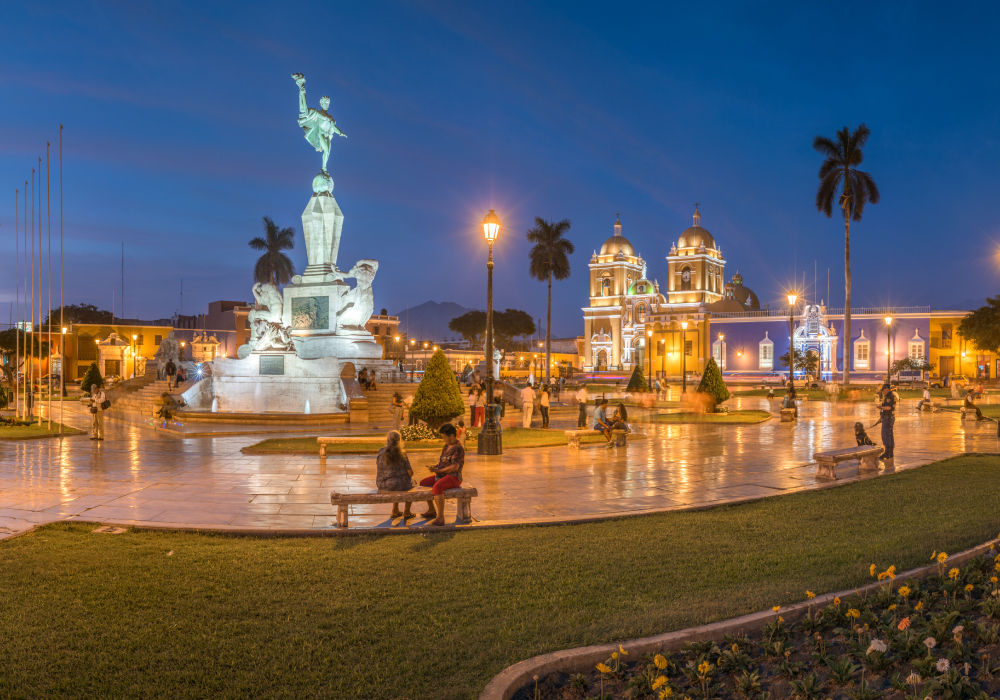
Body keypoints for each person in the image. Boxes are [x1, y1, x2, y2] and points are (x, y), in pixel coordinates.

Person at [418, 423, 465, 526]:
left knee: (437, 487)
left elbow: (454, 467)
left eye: (445, 437)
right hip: (442, 475)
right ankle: (431, 510)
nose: (444, 439)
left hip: (454, 477)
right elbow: (443, 462)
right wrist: (435, 466)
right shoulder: (447, 446)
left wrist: (439, 471)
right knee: (423, 483)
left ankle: (440, 517)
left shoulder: (458, 448)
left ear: (452, 436)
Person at [375, 430, 416, 520]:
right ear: (399, 441)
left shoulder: (381, 451)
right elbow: (410, 473)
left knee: (395, 480)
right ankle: (407, 511)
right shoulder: (402, 454)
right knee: (412, 482)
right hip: (397, 484)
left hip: (381, 484)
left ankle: (395, 510)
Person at [878, 383, 896, 461]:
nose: (883, 392)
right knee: (890, 435)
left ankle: (887, 452)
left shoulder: (889, 396)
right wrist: (881, 417)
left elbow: (888, 408)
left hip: (888, 419)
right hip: (889, 417)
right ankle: (890, 452)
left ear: (887, 389)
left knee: (886, 435)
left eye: (883, 390)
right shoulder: (891, 395)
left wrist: (880, 407)